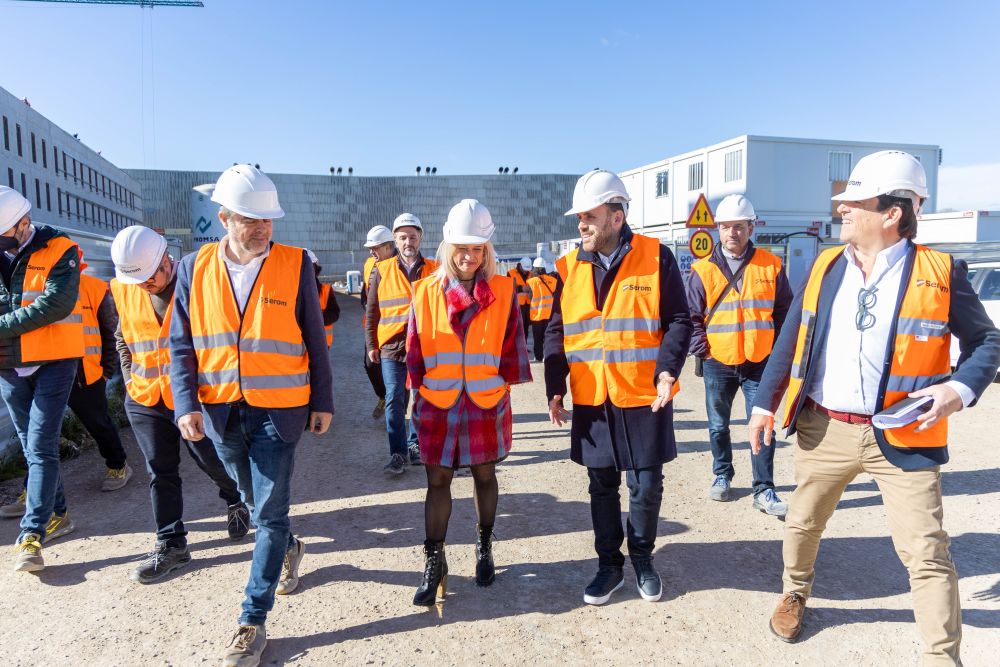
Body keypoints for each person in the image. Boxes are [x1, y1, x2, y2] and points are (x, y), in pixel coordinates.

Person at [748, 151, 1000, 664]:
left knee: (927, 553)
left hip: (904, 434)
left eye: (854, 202)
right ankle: (795, 592)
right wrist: (763, 404)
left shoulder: (941, 271)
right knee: (802, 523)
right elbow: (790, 339)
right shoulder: (824, 267)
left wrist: (958, 390)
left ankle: (941, 657)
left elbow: (987, 343)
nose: (842, 209)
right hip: (825, 428)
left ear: (892, 212)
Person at [170, 165, 333, 667]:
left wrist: (322, 399)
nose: (262, 228)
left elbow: (313, 334)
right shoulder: (192, 268)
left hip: (280, 411)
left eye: (268, 220)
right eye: (250, 219)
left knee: (267, 512)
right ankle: (288, 546)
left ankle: (252, 619)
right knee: (249, 497)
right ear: (223, 217)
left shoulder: (294, 263)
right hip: (220, 410)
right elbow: (179, 342)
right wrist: (185, 403)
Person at [545, 170, 692, 605]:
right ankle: (609, 566)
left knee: (647, 484)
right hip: (593, 397)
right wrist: (556, 387)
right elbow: (557, 331)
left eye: (589, 216)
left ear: (616, 214)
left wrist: (668, 371)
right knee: (601, 485)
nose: (582, 225)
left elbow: (679, 320)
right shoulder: (567, 268)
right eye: (580, 218)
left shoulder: (655, 256)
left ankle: (643, 558)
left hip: (644, 393)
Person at [407, 199, 530, 605]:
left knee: (484, 476)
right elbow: (414, 350)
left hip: (484, 398)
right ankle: (434, 560)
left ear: (486, 251)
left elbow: (513, 343)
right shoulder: (423, 291)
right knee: (437, 482)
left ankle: (484, 546)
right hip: (438, 400)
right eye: (462, 247)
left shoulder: (503, 290)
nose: (469, 256)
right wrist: (414, 393)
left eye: (477, 248)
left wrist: (506, 386)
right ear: (447, 246)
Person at [110, 225, 248, 583]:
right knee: (160, 469)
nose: (144, 286)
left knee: (210, 459)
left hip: (192, 395)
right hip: (144, 396)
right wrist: (128, 378)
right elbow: (122, 338)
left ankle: (234, 497)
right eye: (136, 281)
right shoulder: (124, 286)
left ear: (165, 260)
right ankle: (172, 544)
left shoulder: (198, 281)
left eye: (149, 278)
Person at [0, 250, 132, 520]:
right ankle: (33, 492)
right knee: (37, 440)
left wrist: (106, 371)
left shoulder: (94, 288)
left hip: (85, 375)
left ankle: (118, 465)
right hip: (47, 370)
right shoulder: (32, 287)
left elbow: (110, 332)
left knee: (98, 423)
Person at [686, 194, 793, 518]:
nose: (732, 232)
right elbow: (690, 316)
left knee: (762, 425)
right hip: (719, 362)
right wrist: (703, 349)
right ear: (718, 228)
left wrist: (777, 354)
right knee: (718, 425)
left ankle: (764, 488)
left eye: (739, 226)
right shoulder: (702, 270)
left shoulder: (771, 265)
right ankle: (723, 474)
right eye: (726, 226)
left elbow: (784, 312)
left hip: (760, 362)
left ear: (751, 226)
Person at [0, 186, 84, 572]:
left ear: (23, 223)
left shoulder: (59, 248)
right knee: (32, 446)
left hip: (53, 361)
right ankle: (59, 514)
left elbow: (55, 304)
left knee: (40, 444)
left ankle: (31, 535)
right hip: (8, 366)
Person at [365, 213, 438, 475]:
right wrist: (371, 343)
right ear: (395, 239)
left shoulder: (434, 268)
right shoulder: (381, 270)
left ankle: (415, 444)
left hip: (424, 346)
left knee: (420, 398)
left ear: (420, 239)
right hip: (391, 347)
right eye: (403, 237)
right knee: (395, 398)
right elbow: (372, 310)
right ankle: (397, 453)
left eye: (413, 236)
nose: (409, 241)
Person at [361, 225, 394, 420]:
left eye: (376, 247)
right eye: (370, 248)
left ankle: (394, 413)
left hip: (394, 326)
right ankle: (383, 396)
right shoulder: (368, 264)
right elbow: (365, 293)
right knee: (370, 364)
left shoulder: (399, 264)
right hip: (373, 324)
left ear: (389, 246)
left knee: (396, 370)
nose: (372, 252)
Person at [305, 248, 340, 348]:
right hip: (295, 345)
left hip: (320, 344)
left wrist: (316, 320)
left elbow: (334, 313)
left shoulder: (326, 290)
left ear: (314, 269)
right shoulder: (290, 290)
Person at [526, 256, 557, 362]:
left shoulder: (531, 282)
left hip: (536, 316)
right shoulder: (553, 281)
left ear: (534, 269)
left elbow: (529, 297)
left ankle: (538, 357)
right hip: (550, 315)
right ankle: (547, 356)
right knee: (548, 338)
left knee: (537, 339)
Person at [507, 257, 533, 340]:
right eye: (525, 269)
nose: (526, 271)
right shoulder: (511, 273)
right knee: (517, 326)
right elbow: (508, 288)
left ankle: (524, 346)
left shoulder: (531, 274)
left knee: (526, 326)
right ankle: (517, 347)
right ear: (520, 266)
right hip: (517, 305)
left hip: (528, 304)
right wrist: (522, 288)